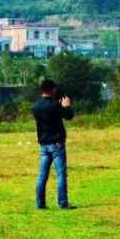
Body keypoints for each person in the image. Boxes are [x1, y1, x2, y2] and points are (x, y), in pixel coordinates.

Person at [31, 79, 74, 209]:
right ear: (53, 89)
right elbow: (69, 116)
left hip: (44, 144)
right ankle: (63, 203)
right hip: (56, 143)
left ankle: (40, 203)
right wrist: (66, 106)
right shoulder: (55, 105)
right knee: (60, 175)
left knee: (42, 175)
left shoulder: (36, 106)